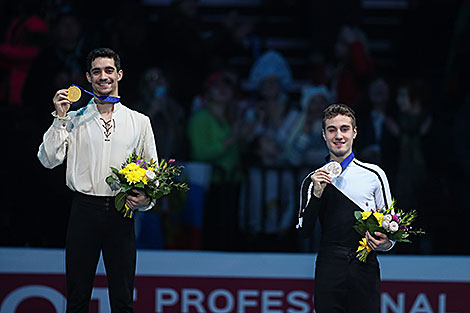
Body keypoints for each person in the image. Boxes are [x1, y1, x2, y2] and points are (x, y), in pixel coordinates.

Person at [37, 48, 158, 313]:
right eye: (97, 72)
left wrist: (146, 198)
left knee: (123, 299)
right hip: (84, 212)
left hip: (121, 213)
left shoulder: (139, 122)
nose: (103, 76)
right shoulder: (74, 119)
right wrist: (60, 118)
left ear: (120, 74)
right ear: (88, 78)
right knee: (78, 297)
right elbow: (48, 160)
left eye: (109, 70)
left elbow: (152, 171)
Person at [297, 103, 393, 313]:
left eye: (344, 129)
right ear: (324, 135)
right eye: (332, 129)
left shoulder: (374, 174)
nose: (338, 135)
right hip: (329, 265)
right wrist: (317, 193)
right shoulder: (312, 180)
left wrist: (386, 243)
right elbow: (305, 232)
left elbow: (392, 228)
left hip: (365, 265)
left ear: (354, 132)